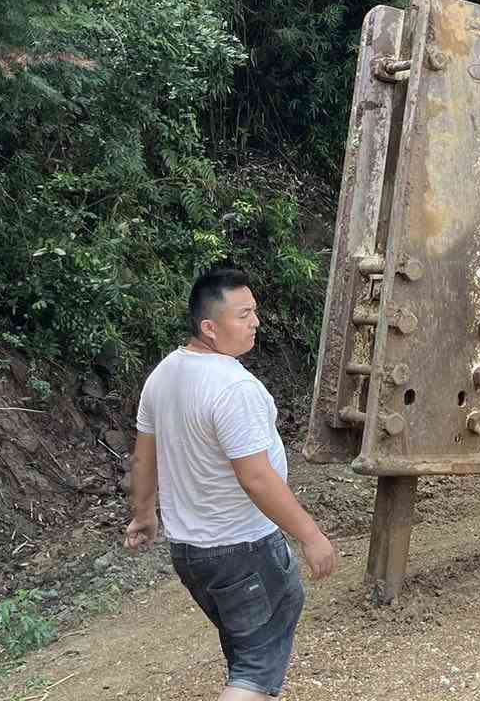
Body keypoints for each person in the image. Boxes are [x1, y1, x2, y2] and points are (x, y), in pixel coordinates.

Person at [124, 268, 337, 699]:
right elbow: (256, 478)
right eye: (243, 315)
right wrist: (311, 535)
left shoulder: (163, 375)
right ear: (209, 327)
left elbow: (144, 457)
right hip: (243, 550)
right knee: (256, 669)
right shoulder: (234, 387)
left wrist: (144, 515)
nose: (255, 322)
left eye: (254, 311)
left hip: (191, 553)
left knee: (246, 654)